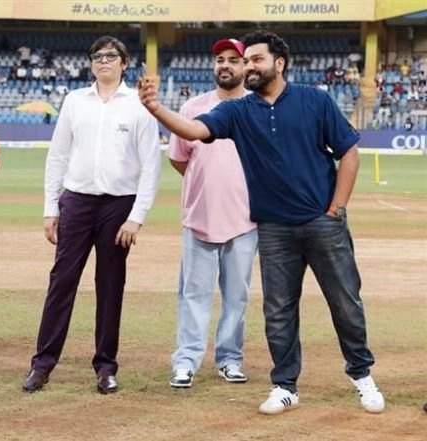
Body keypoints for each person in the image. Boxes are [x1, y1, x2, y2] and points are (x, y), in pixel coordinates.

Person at [139, 30, 384, 415]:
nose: (248, 66)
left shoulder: (314, 100)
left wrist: (336, 208)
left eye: (256, 60)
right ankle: (285, 385)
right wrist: (156, 109)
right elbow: (195, 131)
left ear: (279, 63)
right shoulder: (238, 111)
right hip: (273, 229)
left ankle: (361, 375)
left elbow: (349, 151)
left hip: (323, 223)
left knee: (345, 302)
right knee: (279, 311)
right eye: (246, 60)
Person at [22, 35, 161, 395]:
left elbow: (151, 165)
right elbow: (58, 156)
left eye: (111, 56)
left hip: (118, 205)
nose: (104, 62)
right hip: (77, 201)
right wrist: (51, 207)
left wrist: (137, 216)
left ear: (124, 63)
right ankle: (42, 364)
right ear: (90, 63)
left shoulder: (138, 105)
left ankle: (106, 366)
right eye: (98, 56)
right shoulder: (74, 101)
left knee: (110, 286)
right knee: (61, 282)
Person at [167, 39, 258, 389]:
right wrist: (206, 186)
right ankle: (186, 361)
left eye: (233, 60)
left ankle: (230, 359)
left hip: (246, 220)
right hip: (200, 217)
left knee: (237, 296)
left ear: (245, 66)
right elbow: (179, 158)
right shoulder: (193, 106)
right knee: (193, 295)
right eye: (220, 59)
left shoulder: (257, 107)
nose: (225, 66)